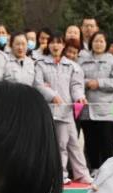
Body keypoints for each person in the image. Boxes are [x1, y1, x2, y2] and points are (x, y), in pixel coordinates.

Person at [36, 35, 90, 183]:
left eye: (58, 43)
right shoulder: (40, 64)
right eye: (52, 43)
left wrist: (79, 97)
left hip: (66, 111)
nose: (55, 46)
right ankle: (60, 175)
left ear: (63, 46)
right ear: (48, 45)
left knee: (74, 144)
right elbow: (38, 84)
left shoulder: (72, 66)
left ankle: (82, 174)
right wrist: (52, 95)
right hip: (49, 111)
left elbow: (76, 85)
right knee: (60, 144)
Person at [80, 31, 113, 173]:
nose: (98, 44)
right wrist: (87, 83)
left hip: (106, 110)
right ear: (91, 43)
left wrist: (99, 83)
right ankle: (93, 169)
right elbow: (76, 79)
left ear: (106, 44)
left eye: (101, 41)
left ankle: (107, 171)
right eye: (95, 41)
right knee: (90, 142)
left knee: (106, 142)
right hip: (87, 109)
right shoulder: (82, 60)